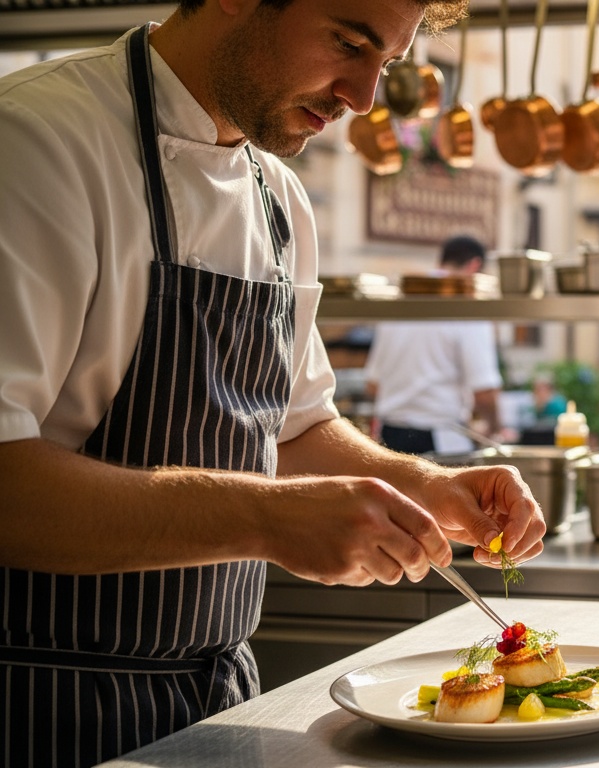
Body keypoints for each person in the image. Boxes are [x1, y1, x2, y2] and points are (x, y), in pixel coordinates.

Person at [0, 3, 547, 765]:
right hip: (33, 705)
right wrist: (264, 518)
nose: (360, 96)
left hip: (216, 700)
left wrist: (423, 484)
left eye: (384, 65)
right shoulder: (35, 143)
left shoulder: (278, 199)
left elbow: (291, 430)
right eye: (349, 43)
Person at [364, 235, 510, 455]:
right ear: (475, 266)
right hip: (440, 439)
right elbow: (484, 392)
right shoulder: (468, 306)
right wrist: (496, 429)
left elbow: (372, 385)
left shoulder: (401, 300)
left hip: (389, 439)